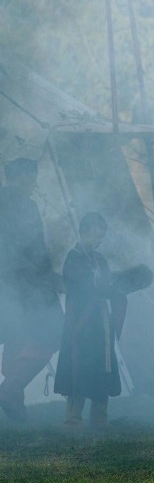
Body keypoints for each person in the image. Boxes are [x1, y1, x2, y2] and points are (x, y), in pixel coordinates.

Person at [0, 158, 63, 422]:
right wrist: (47, 279)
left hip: (7, 286)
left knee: (16, 339)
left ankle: (15, 401)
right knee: (51, 333)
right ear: (22, 177)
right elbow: (34, 249)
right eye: (31, 177)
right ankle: (11, 389)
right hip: (26, 286)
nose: (34, 183)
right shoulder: (25, 205)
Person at [54, 213, 125, 429]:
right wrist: (103, 289)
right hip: (81, 322)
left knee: (102, 366)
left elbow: (107, 284)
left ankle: (99, 419)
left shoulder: (100, 259)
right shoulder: (73, 258)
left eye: (101, 238)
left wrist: (118, 288)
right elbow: (80, 287)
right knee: (79, 366)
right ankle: (73, 419)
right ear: (84, 232)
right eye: (96, 236)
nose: (98, 241)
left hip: (101, 323)